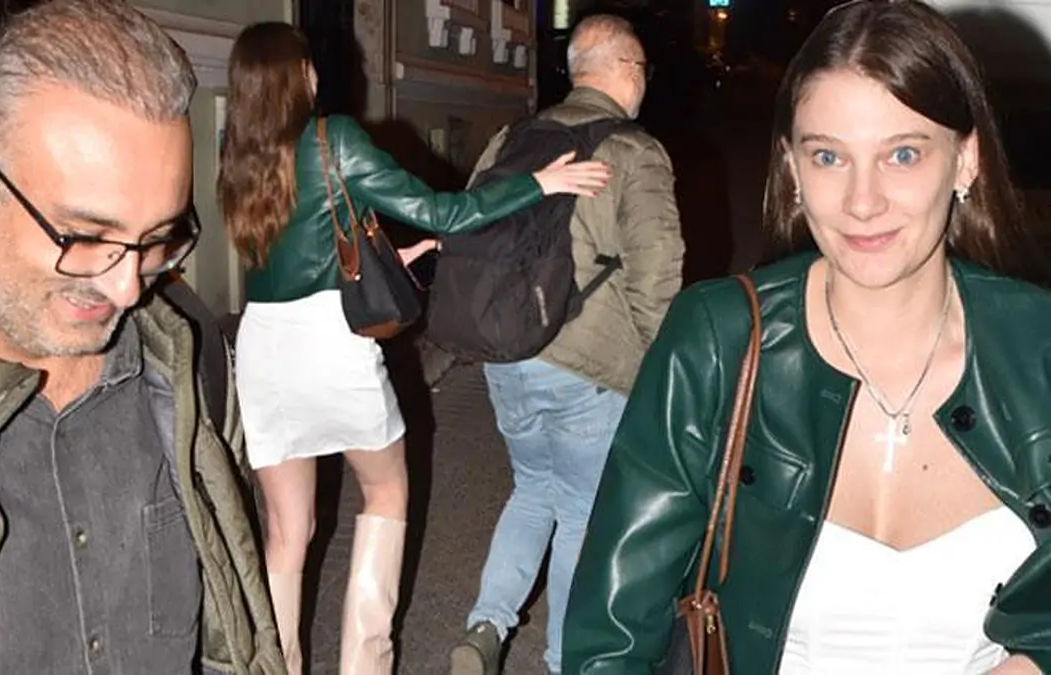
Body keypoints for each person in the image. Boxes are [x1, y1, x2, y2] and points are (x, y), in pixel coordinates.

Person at [563, 1, 1051, 673]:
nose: (862, 201)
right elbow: (609, 642)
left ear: (965, 161)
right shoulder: (717, 343)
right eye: (829, 156)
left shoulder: (1037, 348)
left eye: (902, 154)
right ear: (793, 169)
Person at [0, 2, 285, 673]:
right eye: (83, 236)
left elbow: (230, 626)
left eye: (157, 239)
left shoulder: (186, 354)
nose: (126, 288)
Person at [218, 22, 610, 675]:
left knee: (287, 533)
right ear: (297, 76)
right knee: (385, 493)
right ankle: (365, 666)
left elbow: (291, 254)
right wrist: (539, 184)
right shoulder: (333, 140)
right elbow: (444, 212)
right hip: (331, 344)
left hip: (262, 348)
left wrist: (388, 259)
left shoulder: (237, 157)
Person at [449, 13, 684, 675]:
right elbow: (658, 276)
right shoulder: (635, 152)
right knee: (582, 510)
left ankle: (486, 625)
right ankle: (563, 660)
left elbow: (470, 222)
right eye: (642, 69)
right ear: (626, 71)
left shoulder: (511, 137)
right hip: (589, 366)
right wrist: (658, 372)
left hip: (507, 353)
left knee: (532, 490)